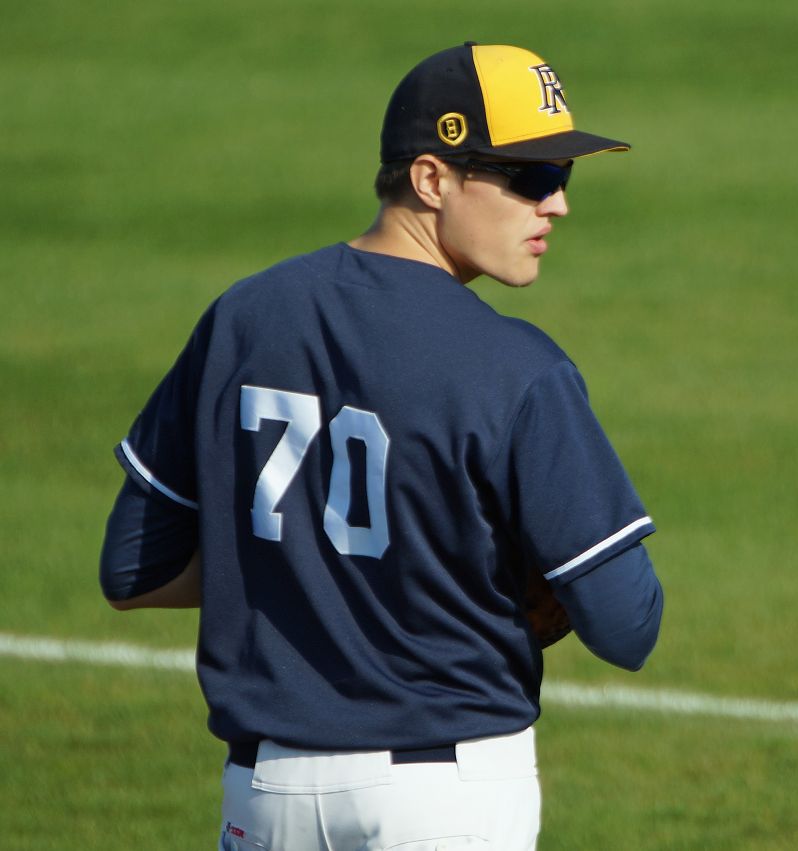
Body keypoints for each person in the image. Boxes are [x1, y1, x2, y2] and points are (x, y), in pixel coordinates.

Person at [99, 42, 663, 851]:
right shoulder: (516, 368)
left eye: (563, 175)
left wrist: (304, 570)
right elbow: (627, 624)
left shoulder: (244, 317)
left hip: (265, 797)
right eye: (532, 177)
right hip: (447, 801)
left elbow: (135, 570)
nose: (558, 204)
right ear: (432, 179)